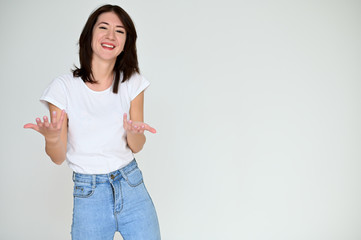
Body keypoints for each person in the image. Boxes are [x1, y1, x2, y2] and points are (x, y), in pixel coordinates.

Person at [24, 4, 161, 240]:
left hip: (131, 186)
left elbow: (137, 145)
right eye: (104, 27)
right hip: (89, 194)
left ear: (126, 42)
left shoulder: (133, 83)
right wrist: (52, 137)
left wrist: (133, 132)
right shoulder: (63, 88)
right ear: (89, 35)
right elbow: (57, 157)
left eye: (119, 31)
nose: (110, 36)